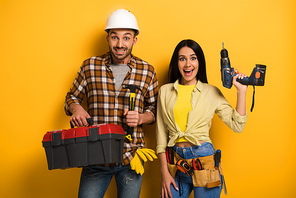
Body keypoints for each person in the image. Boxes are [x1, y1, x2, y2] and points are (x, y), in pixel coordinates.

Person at [64, 9, 158, 198]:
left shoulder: (147, 71)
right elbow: (71, 99)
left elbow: (154, 111)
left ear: (134, 40)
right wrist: (77, 108)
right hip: (95, 156)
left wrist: (141, 117)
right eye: (115, 37)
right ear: (107, 38)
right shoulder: (89, 66)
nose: (120, 44)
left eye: (126, 38)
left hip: (131, 157)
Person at [156, 39, 248, 198]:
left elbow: (236, 125)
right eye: (182, 58)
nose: (187, 64)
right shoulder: (164, 91)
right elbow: (161, 135)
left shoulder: (211, 92)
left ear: (199, 61)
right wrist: (164, 172)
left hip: (205, 163)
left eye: (193, 58)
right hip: (176, 164)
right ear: (176, 62)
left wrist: (241, 92)